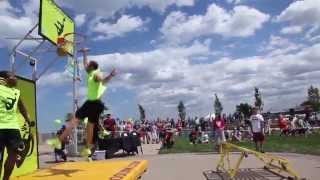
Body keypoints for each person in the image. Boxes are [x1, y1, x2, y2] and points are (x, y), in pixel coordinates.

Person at [47, 48, 116, 160]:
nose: (86, 66)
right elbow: (86, 65)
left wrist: (106, 77)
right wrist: (84, 53)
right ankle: (88, 149)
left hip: (93, 103)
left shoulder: (95, 74)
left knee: (77, 120)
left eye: (88, 66)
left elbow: (101, 79)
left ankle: (60, 142)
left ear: (92, 67)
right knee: (89, 126)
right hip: (96, 104)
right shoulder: (91, 73)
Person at [0, 71, 34, 180]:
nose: (15, 78)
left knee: (13, 156)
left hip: (13, 128)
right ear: (3, 79)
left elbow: (22, 108)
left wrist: (29, 121)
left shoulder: (16, 92)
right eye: (12, 76)